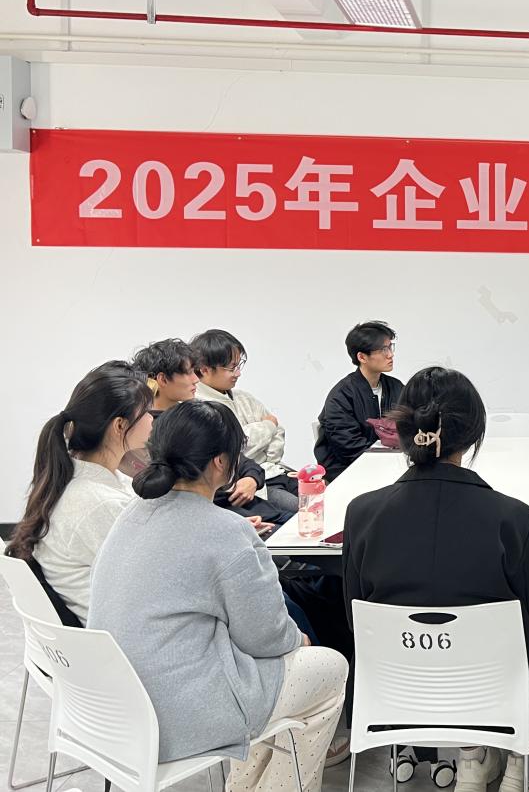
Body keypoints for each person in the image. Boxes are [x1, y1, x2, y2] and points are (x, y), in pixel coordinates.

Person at [89, 400, 348, 791]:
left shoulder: (132, 513)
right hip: (177, 716)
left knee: (272, 678)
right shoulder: (226, 531)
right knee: (329, 668)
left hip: (116, 709)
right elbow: (267, 639)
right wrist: (301, 641)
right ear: (221, 463)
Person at [342, 367, 529, 792]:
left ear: (403, 431)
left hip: (395, 691)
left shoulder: (362, 514)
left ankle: (482, 757)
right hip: (497, 692)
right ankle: (515, 757)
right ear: (473, 434)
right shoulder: (515, 519)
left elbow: (355, 615)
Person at [5, 361, 152, 624]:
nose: (153, 420)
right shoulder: (101, 503)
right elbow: (151, 582)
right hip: (119, 634)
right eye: (148, 413)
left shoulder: (67, 477)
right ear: (120, 425)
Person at [134, 338, 289, 525]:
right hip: (226, 514)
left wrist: (251, 477)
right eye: (188, 372)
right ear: (163, 379)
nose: (196, 379)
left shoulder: (192, 415)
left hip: (246, 503)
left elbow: (238, 456)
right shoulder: (157, 430)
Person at [191, 328, 297, 513]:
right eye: (231, 368)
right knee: (304, 509)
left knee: (325, 493)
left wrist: (264, 452)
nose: (238, 373)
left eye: (239, 365)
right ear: (204, 369)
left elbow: (278, 432)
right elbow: (236, 448)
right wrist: (267, 426)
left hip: (272, 470)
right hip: (246, 485)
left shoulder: (243, 398)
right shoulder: (199, 407)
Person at [314, 320, 403, 480]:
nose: (390, 354)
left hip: (390, 466)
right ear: (362, 357)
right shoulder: (341, 396)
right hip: (349, 471)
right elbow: (349, 449)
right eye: (383, 350)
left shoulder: (396, 387)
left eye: (390, 347)